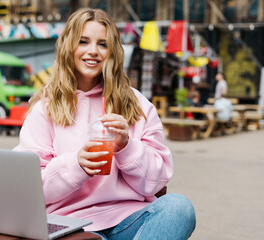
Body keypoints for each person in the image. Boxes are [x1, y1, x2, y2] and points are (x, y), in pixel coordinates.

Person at [14, 8, 196, 239]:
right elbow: (30, 187)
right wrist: (75, 165)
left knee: (179, 208)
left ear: (113, 52)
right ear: (68, 46)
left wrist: (127, 146)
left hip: (131, 220)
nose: (93, 51)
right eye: (83, 41)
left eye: (102, 44)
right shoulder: (44, 106)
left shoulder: (137, 103)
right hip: (71, 225)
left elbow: (156, 182)